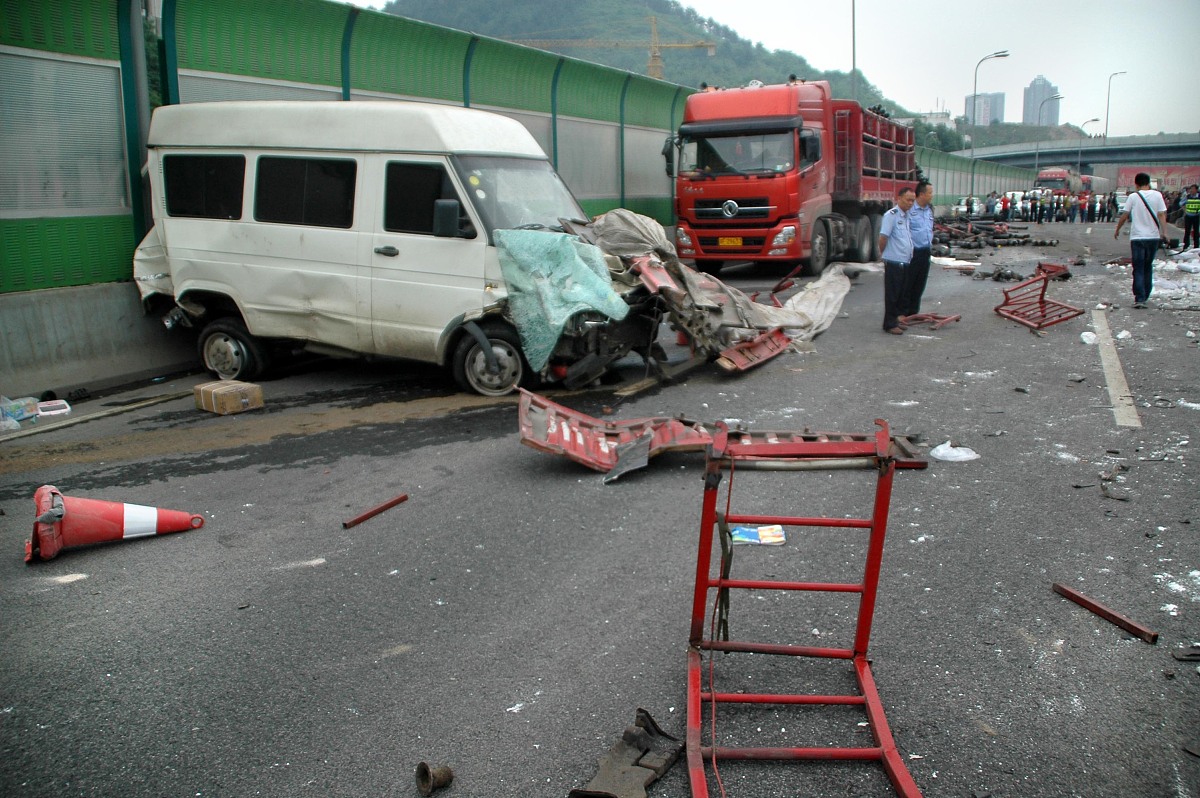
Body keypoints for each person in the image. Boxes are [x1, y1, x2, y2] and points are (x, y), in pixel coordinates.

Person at [1114, 172, 1167, 309]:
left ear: (1136, 184)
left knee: (1138, 268)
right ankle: (1146, 294)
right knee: (1147, 266)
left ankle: (1140, 298)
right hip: (1153, 238)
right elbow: (1161, 214)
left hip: (1137, 237)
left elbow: (1125, 215)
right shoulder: (1157, 195)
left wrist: (1118, 229)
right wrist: (1164, 232)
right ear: (1148, 183)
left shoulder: (1133, 196)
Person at [878, 186, 915, 335]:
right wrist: (884, 254)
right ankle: (889, 324)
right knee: (892, 295)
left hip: (904, 261)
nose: (911, 203)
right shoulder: (891, 215)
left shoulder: (905, 216)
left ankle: (896, 320)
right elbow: (883, 237)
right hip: (894, 261)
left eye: (913, 200)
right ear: (899, 199)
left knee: (901, 293)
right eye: (908, 200)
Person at [901, 180, 935, 324]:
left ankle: (913, 312)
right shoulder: (909, 210)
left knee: (920, 284)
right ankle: (902, 312)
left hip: (925, 251)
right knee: (908, 283)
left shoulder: (929, 210)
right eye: (930, 193)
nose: (932, 195)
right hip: (912, 252)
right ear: (921, 194)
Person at [1181, 184, 1200, 250]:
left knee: (1196, 232)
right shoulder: (1188, 197)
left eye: (1193, 189)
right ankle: (1186, 245)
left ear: (1196, 190)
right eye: (1191, 189)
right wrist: (1185, 210)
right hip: (1188, 216)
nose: (1191, 190)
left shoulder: (1199, 196)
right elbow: (1181, 203)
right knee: (1187, 231)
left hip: (1196, 216)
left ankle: (1196, 246)